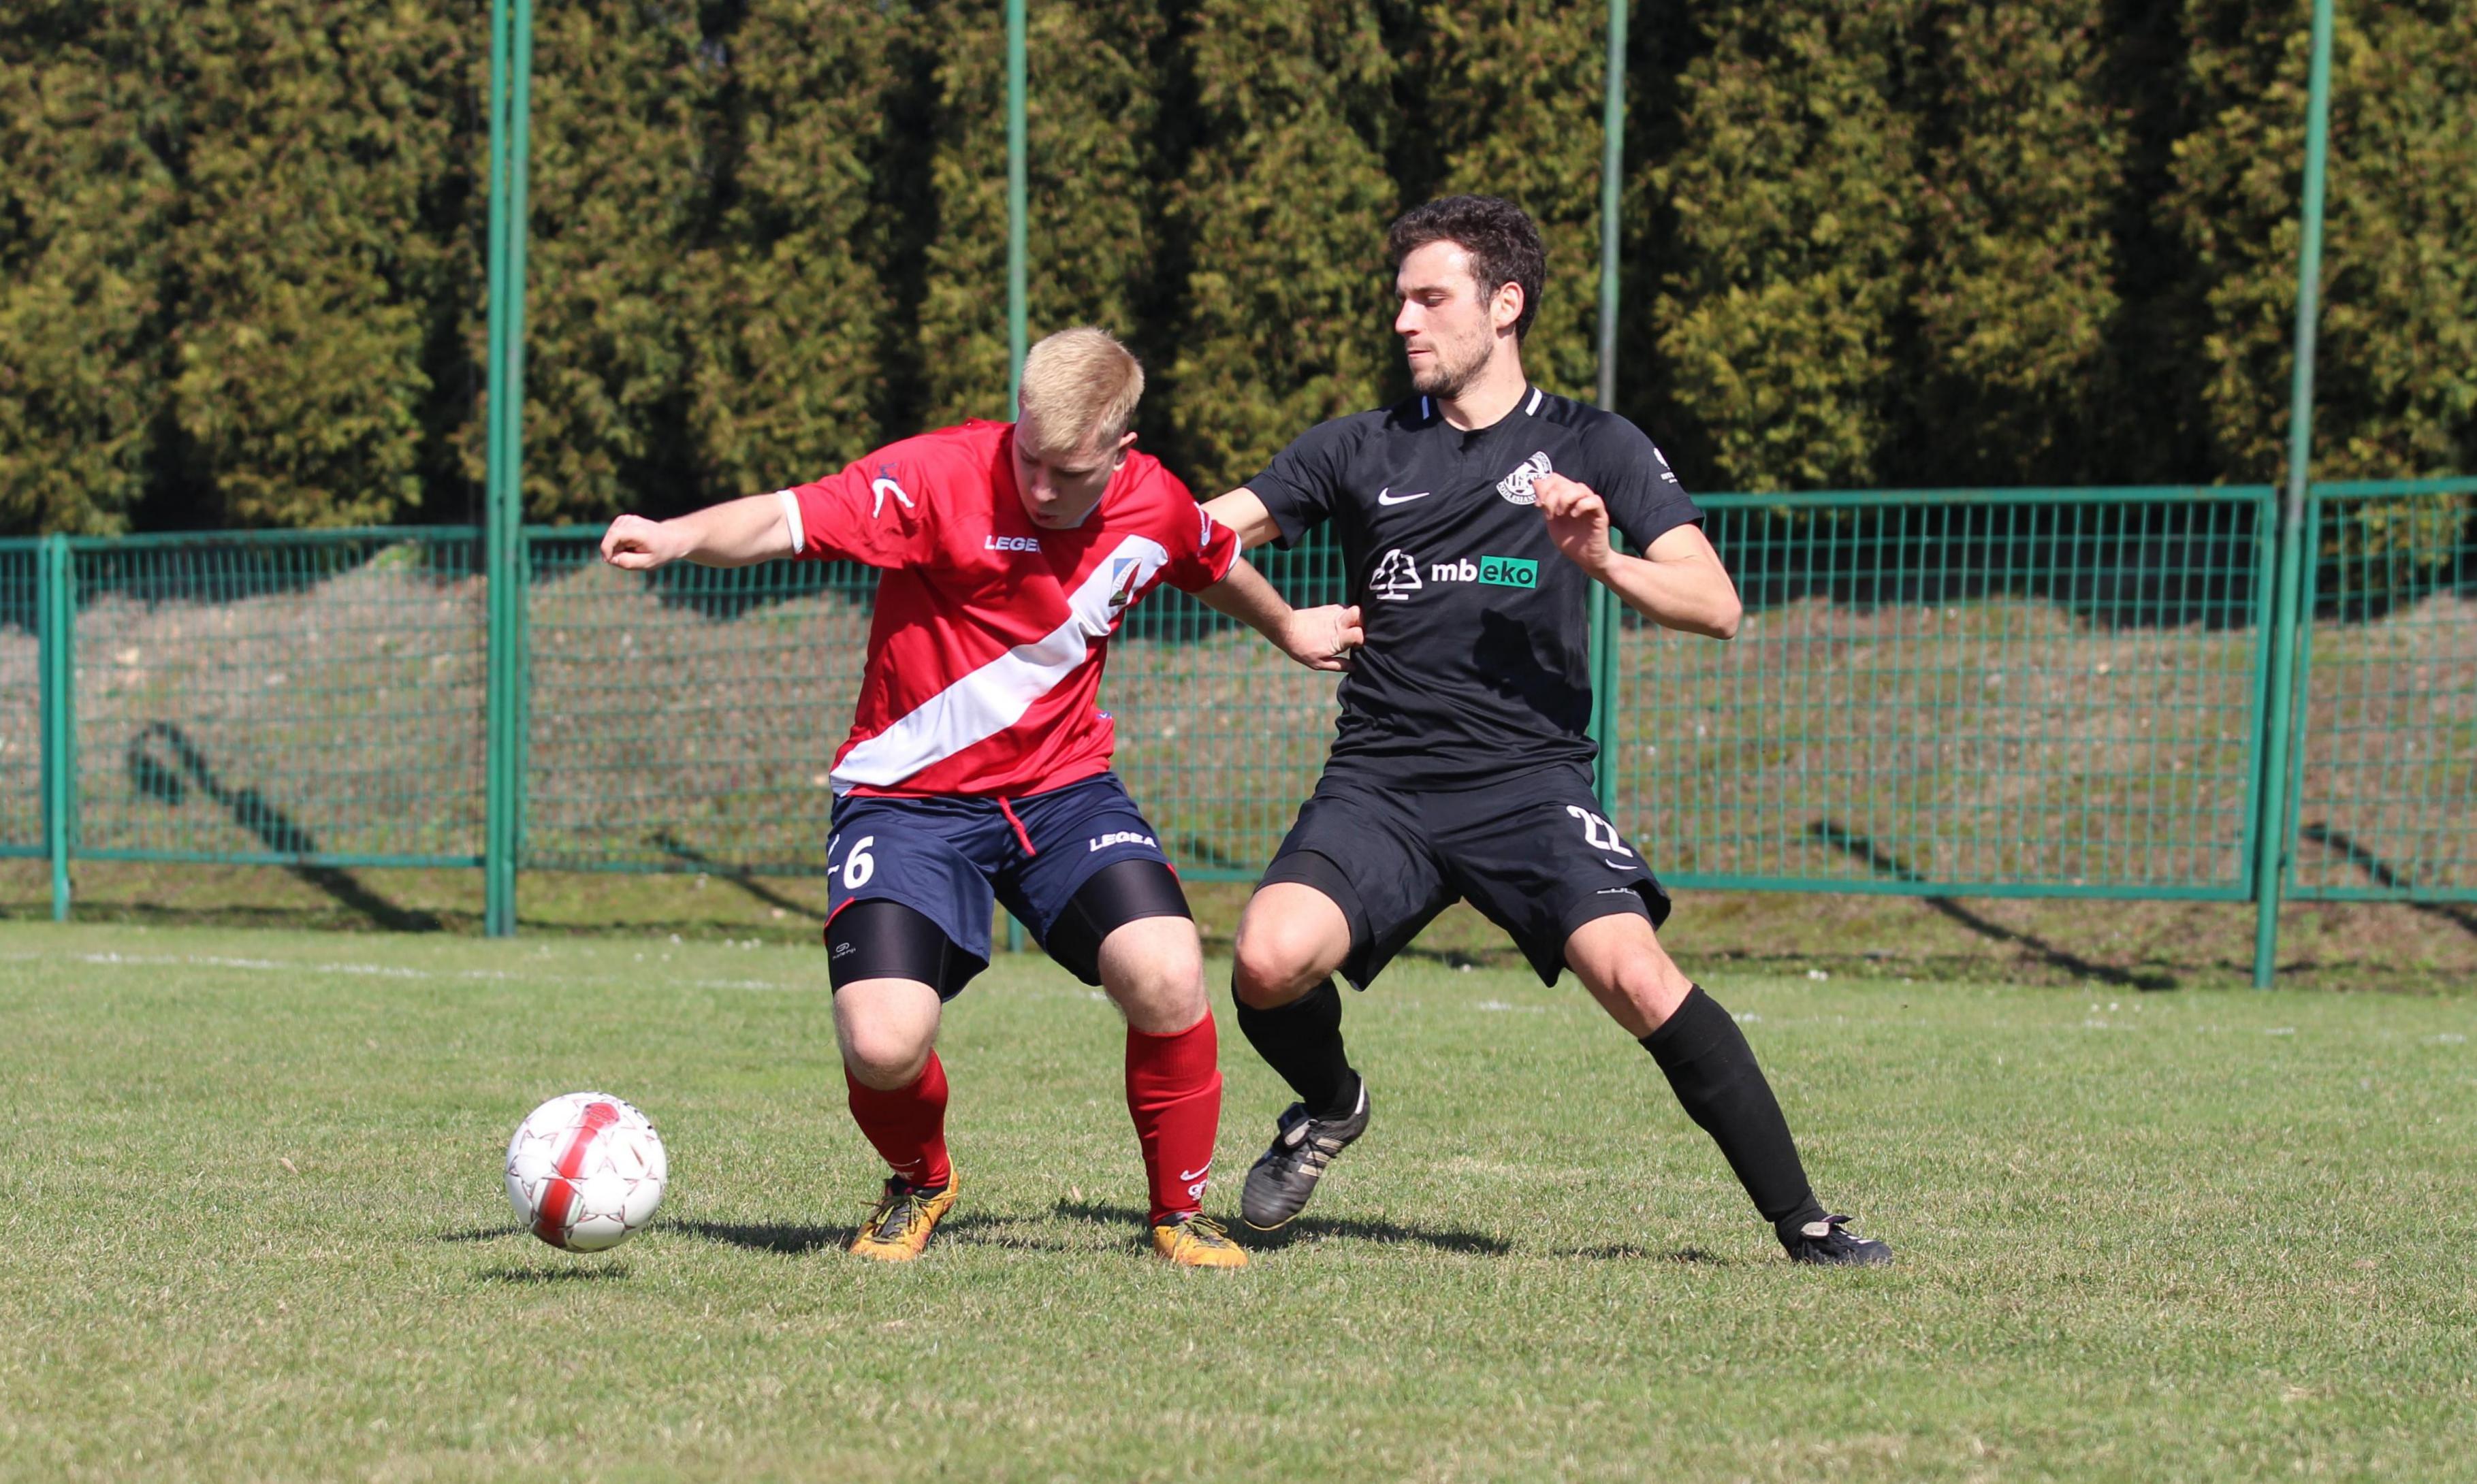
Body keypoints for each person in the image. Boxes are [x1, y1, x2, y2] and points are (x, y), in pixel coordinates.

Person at [1200, 196, 1891, 1265]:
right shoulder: (1355, 448)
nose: (1404, 322)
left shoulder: (1590, 443)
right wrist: (1281, 618)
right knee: (1265, 959)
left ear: (1504, 304)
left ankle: (1805, 1223)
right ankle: (1330, 1105)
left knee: (1636, 976)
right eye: (1399, 300)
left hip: (1527, 784)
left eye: (1430, 299)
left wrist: (1602, 560)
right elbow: (1194, 533)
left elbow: (1717, 607)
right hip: (1381, 782)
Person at [600, 327, 1362, 1267]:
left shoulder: (1152, 501)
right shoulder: (936, 476)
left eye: (1065, 472)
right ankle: (921, 1180)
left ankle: (1175, 1212)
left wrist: (1288, 624)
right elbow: (783, 518)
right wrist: (678, 535)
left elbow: (1210, 558)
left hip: (1063, 794)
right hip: (904, 804)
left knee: (1166, 971)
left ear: (1119, 452)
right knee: (883, 1043)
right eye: (1027, 456)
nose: (1038, 485)